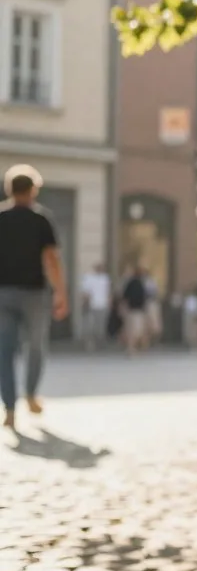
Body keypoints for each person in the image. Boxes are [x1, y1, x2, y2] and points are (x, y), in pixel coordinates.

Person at [0, 164, 69, 431]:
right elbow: (51, 259)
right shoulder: (41, 220)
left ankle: (9, 408)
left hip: (3, 293)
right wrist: (61, 292)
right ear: (32, 190)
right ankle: (30, 394)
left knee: (4, 352)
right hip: (33, 293)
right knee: (36, 346)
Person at [80, 262, 112, 351]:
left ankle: (99, 342)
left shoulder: (105, 278)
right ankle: (89, 344)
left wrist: (109, 302)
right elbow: (85, 293)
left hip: (102, 305)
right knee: (89, 325)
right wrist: (86, 303)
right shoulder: (89, 278)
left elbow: (107, 291)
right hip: (92, 305)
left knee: (100, 326)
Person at [120, 265, 150, 356]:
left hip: (138, 310)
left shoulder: (141, 283)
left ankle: (133, 347)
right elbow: (125, 297)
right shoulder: (132, 283)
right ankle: (130, 348)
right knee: (133, 330)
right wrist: (124, 308)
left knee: (136, 330)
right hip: (133, 309)